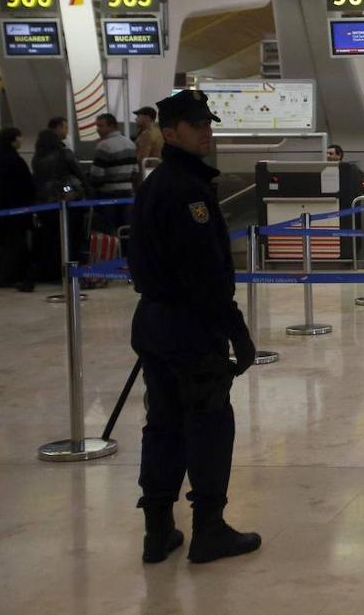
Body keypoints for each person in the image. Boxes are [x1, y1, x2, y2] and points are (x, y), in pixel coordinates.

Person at [128, 89, 260, 565]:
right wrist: (237, 332)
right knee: (207, 423)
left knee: (162, 425)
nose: (206, 129)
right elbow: (204, 276)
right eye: (195, 123)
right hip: (189, 328)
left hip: (155, 324)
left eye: (207, 121)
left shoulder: (156, 185)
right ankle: (209, 528)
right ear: (169, 132)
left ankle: (157, 530)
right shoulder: (187, 192)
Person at [32, 129, 91, 278]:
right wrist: (88, 191)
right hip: (66, 199)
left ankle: (53, 272)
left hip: (44, 202)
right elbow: (79, 173)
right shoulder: (64, 153)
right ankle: (72, 271)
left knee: (51, 239)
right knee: (72, 237)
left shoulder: (36, 158)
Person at [0, 127, 36, 291]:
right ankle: (7, 277)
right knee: (14, 244)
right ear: (14, 139)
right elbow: (24, 185)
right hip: (14, 210)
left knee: (0, 244)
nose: (21, 140)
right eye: (19, 137)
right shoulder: (14, 160)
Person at [90, 113, 138, 233]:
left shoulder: (103, 145)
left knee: (108, 230)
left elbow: (96, 176)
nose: (98, 129)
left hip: (108, 195)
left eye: (100, 126)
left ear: (111, 126)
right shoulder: (130, 144)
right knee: (125, 229)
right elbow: (135, 171)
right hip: (127, 194)